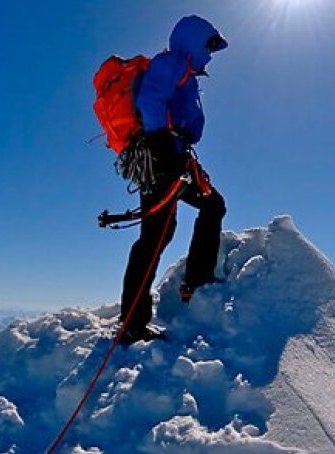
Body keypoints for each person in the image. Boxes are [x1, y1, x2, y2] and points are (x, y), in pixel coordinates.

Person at [119, 15, 228, 344]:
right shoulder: (173, 63)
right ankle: (132, 324)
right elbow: (150, 100)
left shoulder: (186, 73)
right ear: (193, 42)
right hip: (160, 159)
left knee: (210, 207)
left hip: (174, 157)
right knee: (155, 237)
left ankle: (196, 280)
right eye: (208, 46)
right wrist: (161, 146)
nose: (211, 54)